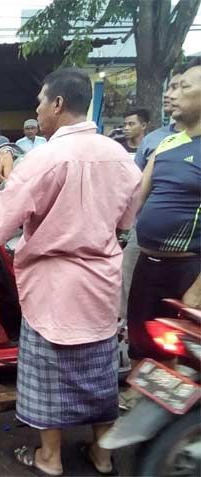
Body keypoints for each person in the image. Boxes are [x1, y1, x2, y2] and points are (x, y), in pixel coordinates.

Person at [0, 68, 141, 476]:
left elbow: (2, 216)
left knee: (49, 373)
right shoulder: (120, 156)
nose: (38, 111)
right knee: (100, 368)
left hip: (52, 284)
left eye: (41, 102)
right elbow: (126, 218)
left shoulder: (44, 157)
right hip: (100, 282)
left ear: (58, 104)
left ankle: (50, 457)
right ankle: (102, 454)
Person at [126, 59, 201, 370]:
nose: (173, 94)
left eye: (185, 87)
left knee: (185, 359)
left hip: (188, 268)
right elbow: (135, 198)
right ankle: (140, 410)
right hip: (147, 263)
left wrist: (198, 288)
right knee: (140, 346)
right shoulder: (167, 143)